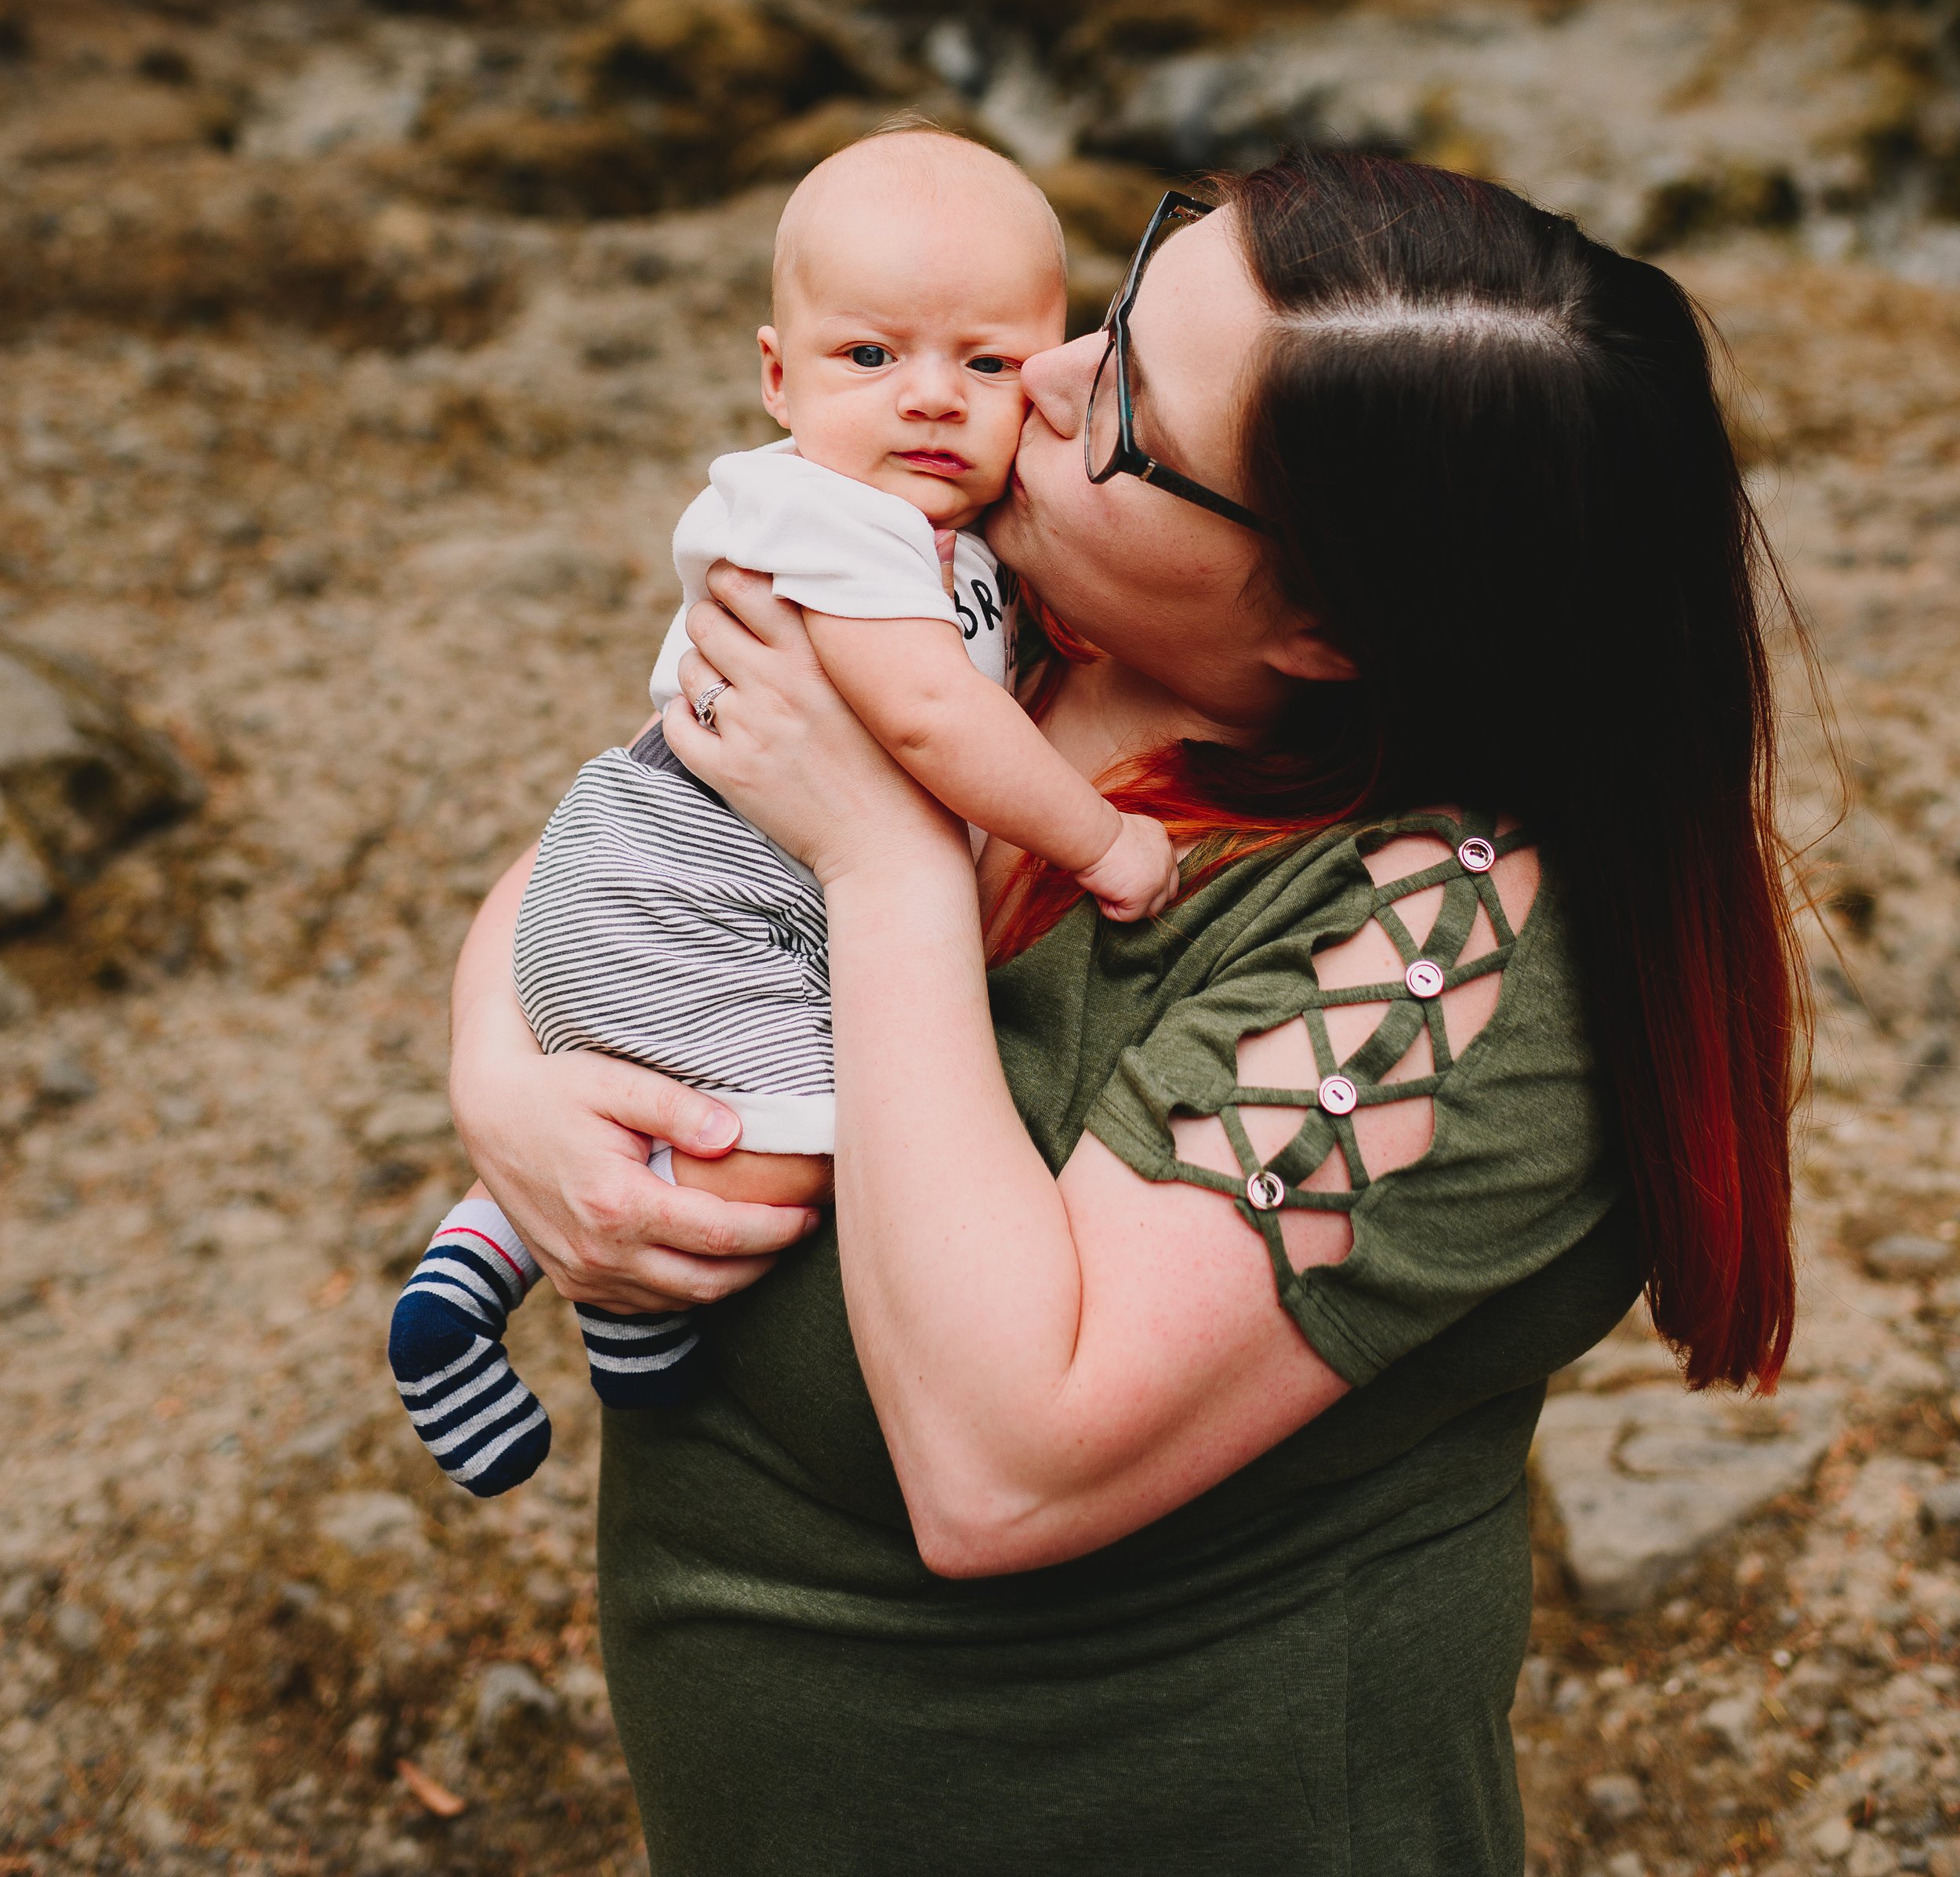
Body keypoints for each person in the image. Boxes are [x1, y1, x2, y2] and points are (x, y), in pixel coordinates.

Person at [446, 149, 1809, 1877]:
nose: (1042, 378)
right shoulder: (1013, 608)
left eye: (1132, 412)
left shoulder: (1450, 963)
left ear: (1324, 619)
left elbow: (1001, 1462)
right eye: (1116, 306)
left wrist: (884, 872)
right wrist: (498, 1073)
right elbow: (622, 836)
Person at [388, 130, 1178, 1496]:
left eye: (984, 364)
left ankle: (469, 1268)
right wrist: (1101, 841)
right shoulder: (829, 522)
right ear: (775, 376)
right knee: (793, 1141)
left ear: (1049, 373)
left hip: (692, 882)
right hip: (696, 889)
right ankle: (629, 1316)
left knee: (650, 1110)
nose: (931, 400)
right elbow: (927, 714)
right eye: (871, 358)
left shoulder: (957, 541)